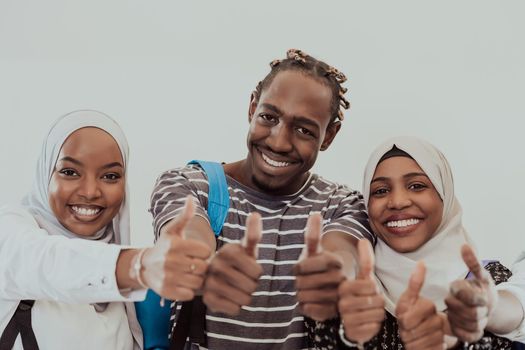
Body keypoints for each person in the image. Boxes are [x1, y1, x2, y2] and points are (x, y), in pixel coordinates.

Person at [148, 49, 374, 349]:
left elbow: (343, 254)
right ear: (252, 107)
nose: (279, 142)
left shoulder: (342, 204)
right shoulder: (187, 184)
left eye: (304, 130)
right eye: (269, 117)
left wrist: (334, 274)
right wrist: (200, 262)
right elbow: (185, 236)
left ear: (329, 135)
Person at [0, 110, 202, 349]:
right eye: (69, 172)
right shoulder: (11, 232)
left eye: (110, 176)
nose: (90, 191)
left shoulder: (131, 302)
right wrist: (140, 266)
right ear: (45, 172)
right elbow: (42, 260)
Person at [307, 136, 524, 349]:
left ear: (444, 194)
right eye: (381, 191)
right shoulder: (352, 289)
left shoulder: (490, 284)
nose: (398, 202)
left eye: (416, 185)